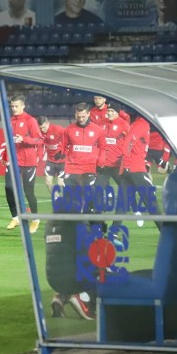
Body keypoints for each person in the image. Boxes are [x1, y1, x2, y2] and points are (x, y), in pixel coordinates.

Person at [50, 102, 107, 320]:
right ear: (75, 114)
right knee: (85, 225)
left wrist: (99, 161)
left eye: (83, 115)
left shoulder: (98, 131)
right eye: (78, 115)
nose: (81, 118)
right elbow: (64, 147)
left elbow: (103, 147)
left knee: (80, 215)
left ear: (88, 114)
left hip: (89, 172)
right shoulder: (69, 130)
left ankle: (62, 297)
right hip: (73, 173)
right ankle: (82, 298)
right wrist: (65, 168)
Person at [5, 95, 42, 233]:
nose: (14, 109)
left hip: (29, 161)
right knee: (9, 187)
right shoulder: (9, 121)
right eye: (12, 106)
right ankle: (15, 217)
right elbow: (9, 141)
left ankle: (35, 219)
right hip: (14, 160)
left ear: (23, 106)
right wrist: (5, 156)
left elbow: (39, 139)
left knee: (28, 192)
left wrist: (24, 139)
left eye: (16, 106)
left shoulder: (30, 120)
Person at [119, 111, 161, 218]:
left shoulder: (139, 124)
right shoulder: (142, 124)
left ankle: (113, 232)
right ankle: (166, 231)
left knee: (123, 203)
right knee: (151, 202)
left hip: (131, 167)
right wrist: (127, 164)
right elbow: (129, 142)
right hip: (135, 168)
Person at [37, 115, 65, 197]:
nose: (42, 130)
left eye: (44, 127)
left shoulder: (57, 129)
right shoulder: (39, 133)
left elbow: (68, 136)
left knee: (60, 183)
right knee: (48, 182)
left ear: (48, 123)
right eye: (40, 128)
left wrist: (63, 151)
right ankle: (57, 199)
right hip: (50, 160)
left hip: (62, 160)